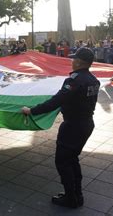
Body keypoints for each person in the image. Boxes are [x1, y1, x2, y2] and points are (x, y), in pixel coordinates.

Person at [21, 48, 99, 209]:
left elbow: (56, 101)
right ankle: (77, 195)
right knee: (72, 160)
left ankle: (71, 198)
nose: (71, 61)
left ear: (78, 62)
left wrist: (32, 111)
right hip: (86, 124)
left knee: (63, 162)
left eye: (74, 59)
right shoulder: (93, 79)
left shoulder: (74, 80)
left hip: (73, 126)